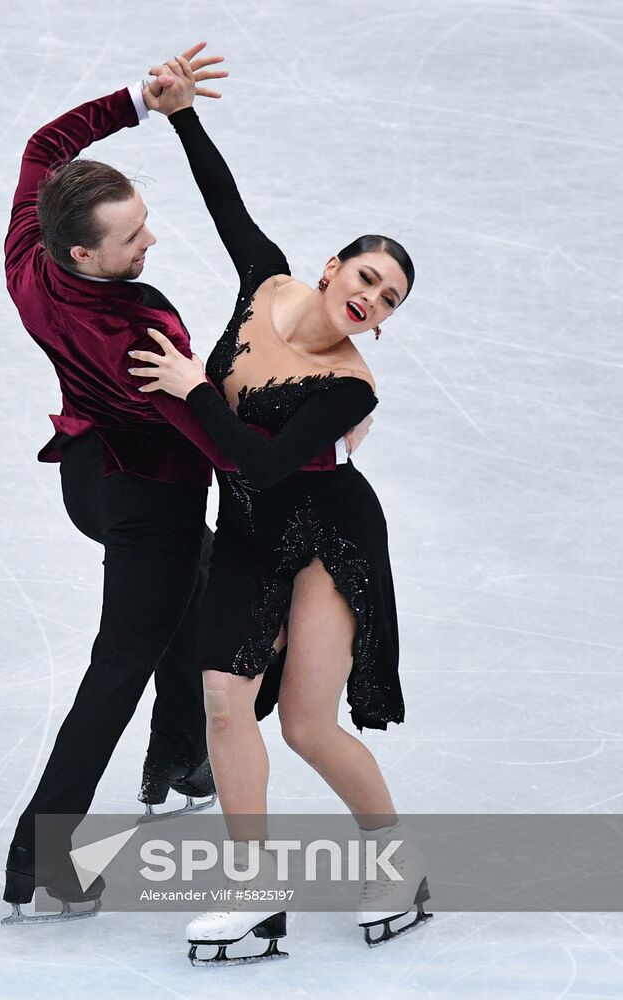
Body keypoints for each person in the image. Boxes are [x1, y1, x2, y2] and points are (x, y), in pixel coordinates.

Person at [1, 44, 363, 924]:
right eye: (133, 236)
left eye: (145, 218)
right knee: (124, 659)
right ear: (87, 252)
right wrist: (304, 422)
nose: (152, 238)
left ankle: (176, 760)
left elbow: (46, 144)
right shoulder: (141, 329)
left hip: (86, 474)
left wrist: (139, 99)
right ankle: (42, 863)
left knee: (186, 608)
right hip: (149, 502)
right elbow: (222, 445)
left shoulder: (29, 252)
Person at [127, 55, 431, 963]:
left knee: (303, 724)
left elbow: (258, 460)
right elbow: (226, 200)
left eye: (387, 301)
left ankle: (398, 863)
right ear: (334, 264)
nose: (369, 298)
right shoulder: (264, 281)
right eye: (367, 275)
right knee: (225, 701)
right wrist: (178, 116)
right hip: (253, 536)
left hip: (328, 538)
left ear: (380, 320)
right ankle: (253, 892)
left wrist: (194, 390)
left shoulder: (349, 389)